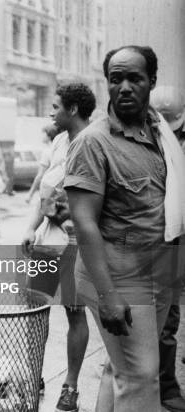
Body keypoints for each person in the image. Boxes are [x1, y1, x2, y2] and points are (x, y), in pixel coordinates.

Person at [65, 45, 185, 412]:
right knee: (140, 377)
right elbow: (84, 223)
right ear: (108, 85)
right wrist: (107, 296)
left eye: (135, 78)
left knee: (122, 370)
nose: (125, 87)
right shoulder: (93, 142)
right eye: (116, 79)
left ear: (152, 81)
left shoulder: (159, 130)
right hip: (117, 275)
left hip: (158, 271)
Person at [21, 83, 96, 412]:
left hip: (76, 242)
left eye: (56, 106)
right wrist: (30, 227)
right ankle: (33, 375)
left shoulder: (94, 143)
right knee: (36, 309)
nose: (51, 112)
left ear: (74, 109)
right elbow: (48, 195)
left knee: (74, 312)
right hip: (48, 239)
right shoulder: (59, 140)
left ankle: (70, 388)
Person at [150, 85, 185, 412]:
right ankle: (161, 386)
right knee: (160, 317)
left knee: (169, 317)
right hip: (156, 240)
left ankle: (167, 385)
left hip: (176, 239)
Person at [25, 123, 60, 203]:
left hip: (48, 189)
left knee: (41, 213)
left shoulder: (47, 151)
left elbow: (40, 175)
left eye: (43, 134)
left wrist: (30, 194)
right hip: (59, 190)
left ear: (49, 136)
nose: (42, 137)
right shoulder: (60, 149)